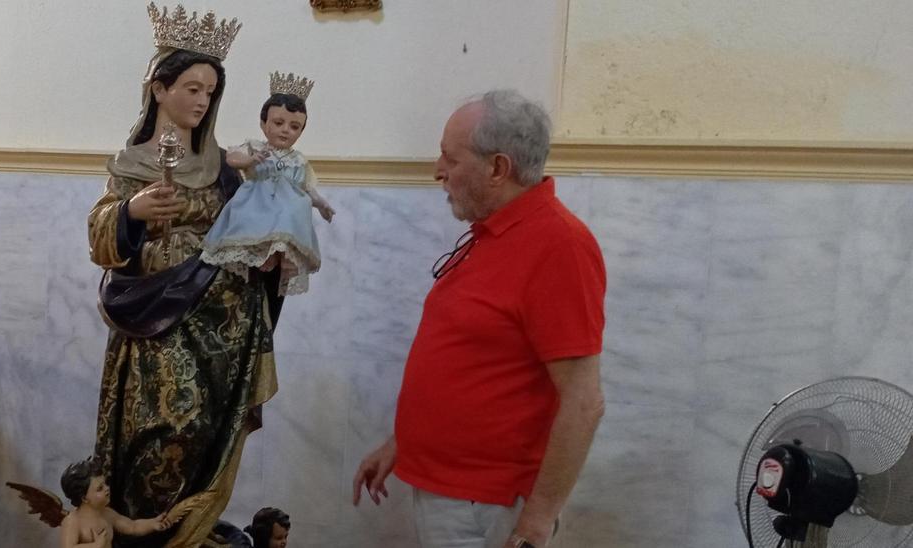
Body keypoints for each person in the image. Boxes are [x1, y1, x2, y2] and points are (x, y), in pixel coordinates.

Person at [351, 89, 607, 548]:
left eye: (450, 158)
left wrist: (538, 518)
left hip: (488, 506)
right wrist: (401, 444)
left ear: (498, 168)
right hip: (450, 491)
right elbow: (474, 360)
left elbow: (584, 401)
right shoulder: (492, 232)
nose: (438, 171)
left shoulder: (558, 245)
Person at [86, 4, 280, 547]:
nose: (201, 100)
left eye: (210, 92)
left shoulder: (220, 166)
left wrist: (275, 250)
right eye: (192, 88)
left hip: (222, 326)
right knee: (165, 430)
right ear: (158, 89)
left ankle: (189, 531)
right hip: (155, 324)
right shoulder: (131, 162)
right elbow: (101, 235)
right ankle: (150, 532)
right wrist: (133, 214)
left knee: (206, 430)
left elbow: (249, 227)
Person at [200, 71, 335, 296]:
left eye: (294, 127)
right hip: (258, 201)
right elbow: (232, 159)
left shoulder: (298, 160)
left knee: (295, 207)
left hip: (286, 206)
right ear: (263, 124)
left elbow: (307, 187)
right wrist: (249, 160)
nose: (285, 130)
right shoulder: (256, 146)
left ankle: (283, 256)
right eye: (279, 122)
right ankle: (261, 251)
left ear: (301, 131)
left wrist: (321, 204)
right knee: (253, 216)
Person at [58, 458, 172, 548]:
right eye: (100, 488)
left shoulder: (107, 514)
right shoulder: (72, 521)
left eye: (105, 484)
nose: (107, 488)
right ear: (84, 498)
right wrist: (95, 545)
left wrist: (153, 524)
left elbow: (132, 527)